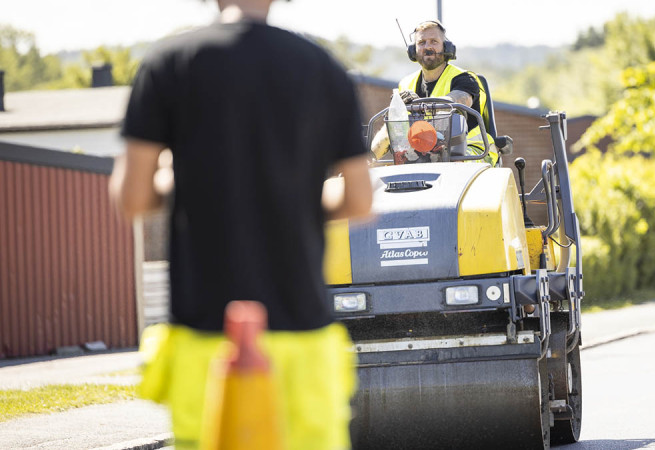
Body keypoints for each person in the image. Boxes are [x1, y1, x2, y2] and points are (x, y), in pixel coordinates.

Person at [108, 0, 372, 448]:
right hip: (301, 338)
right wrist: (294, 196)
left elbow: (133, 198)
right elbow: (360, 201)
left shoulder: (167, 64)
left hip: (205, 338)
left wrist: (181, 181)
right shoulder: (323, 69)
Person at [371, 20, 498, 165]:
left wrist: (418, 104)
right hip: (426, 155)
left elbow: (459, 101)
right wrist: (367, 159)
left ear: (446, 47)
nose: (428, 46)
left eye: (434, 41)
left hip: (473, 153)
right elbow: (393, 128)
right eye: (422, 42)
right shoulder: (406, 84)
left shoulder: (465, 79)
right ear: (413, 50)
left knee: (452, 166)